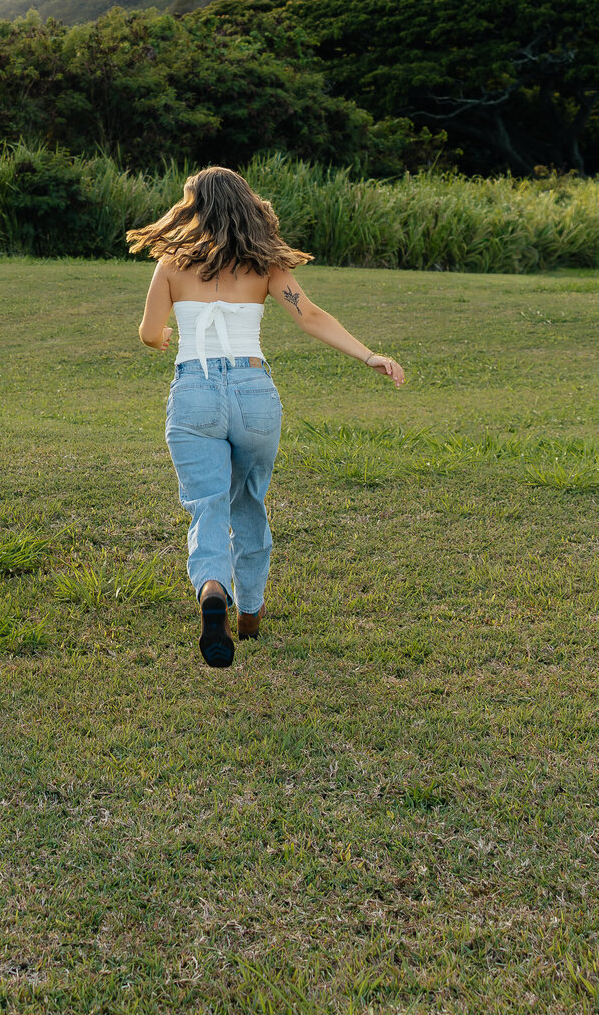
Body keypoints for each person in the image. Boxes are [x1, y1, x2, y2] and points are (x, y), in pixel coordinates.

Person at [129, 165, 404, 670]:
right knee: (248, 500)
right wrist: (370, 356)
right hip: (254, 392)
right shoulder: (265, 264)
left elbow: (149, 332)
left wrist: (167, 338)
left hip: (194, 390)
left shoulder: (170, 263)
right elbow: (311, 316)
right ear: (245, 204)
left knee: (206, 504)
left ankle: (213, 590)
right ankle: (250, 612)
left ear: (193, 207)